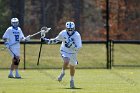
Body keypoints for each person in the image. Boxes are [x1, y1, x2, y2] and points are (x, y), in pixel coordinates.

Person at [41, 21, 82, 88]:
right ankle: (62, 73)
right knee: (66, 61)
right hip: (64, 50)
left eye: (71, 29)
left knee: (72, 67)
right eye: (69, 29)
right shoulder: (63, 33)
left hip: (73, 53)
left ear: (74, 28)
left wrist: (73, 46)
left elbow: (79, 47)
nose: (70, 30)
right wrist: (45, 40)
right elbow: (55, 40)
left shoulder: (77, 35)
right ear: (66, 28)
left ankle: (71, 80)